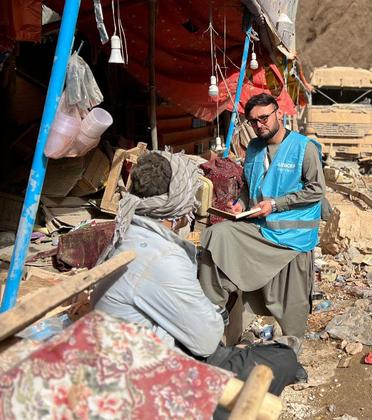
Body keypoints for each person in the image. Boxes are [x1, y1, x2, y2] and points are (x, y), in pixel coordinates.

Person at [93, 151, 299, 401]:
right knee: (282, 359)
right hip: (146, 376)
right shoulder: (162, 256)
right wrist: (213, 317)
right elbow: (205, 343)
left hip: (128, 352)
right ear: (179, 200)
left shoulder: (128, 234)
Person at [197, 94, 324, 381]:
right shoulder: (253, 149)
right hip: (260, 228)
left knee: (292, 302)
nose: (259, 125)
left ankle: (292, 357)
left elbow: (316, 190)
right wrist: (241, 203)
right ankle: (211, 314)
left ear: (278, 114)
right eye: (254, 121)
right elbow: (250, 187)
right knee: (217, 236)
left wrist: (276, 204)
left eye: (264, 118)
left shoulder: (304, 148)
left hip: (292, 235)